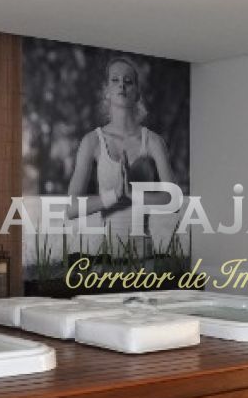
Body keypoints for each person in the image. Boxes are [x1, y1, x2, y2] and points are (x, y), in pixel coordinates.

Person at [66, 56, 174, 255]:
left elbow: (173, 200)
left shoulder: (153, 141)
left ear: (137, 94)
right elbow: (71, 209)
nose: (121, 85)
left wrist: (132, 195)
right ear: (106, 91)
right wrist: (114, 195)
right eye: (115, 80)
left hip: (144, 258)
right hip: (105, 258)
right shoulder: (92, 141)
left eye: (128, 81)